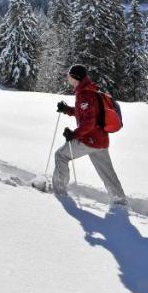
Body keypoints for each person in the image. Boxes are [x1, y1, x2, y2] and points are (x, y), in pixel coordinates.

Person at [53, 64, 127, 206]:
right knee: (107, 173)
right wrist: (66, 109)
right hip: (101, 141)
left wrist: (74, 134)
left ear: (76, 78)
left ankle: (59, 191)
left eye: (69, 75)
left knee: (61, 155)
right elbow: (85, 112)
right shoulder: (90, 90)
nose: (67, 77)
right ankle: (120, 201)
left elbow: (89, 122)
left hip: (89, 141)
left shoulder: (84, 94)